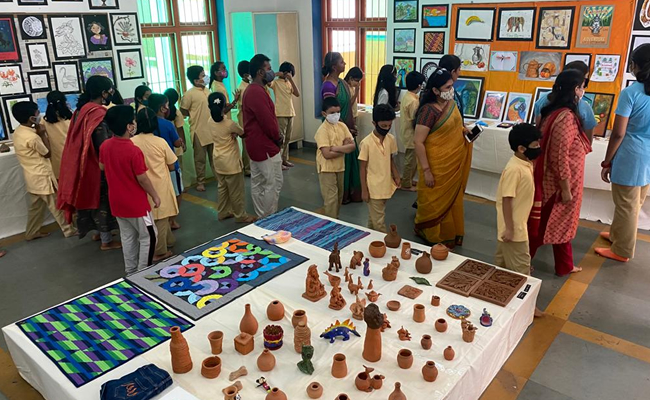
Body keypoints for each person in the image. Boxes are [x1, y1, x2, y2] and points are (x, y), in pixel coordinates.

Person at [528, 70, 591, 276]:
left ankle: (565, 265)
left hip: (564, 181)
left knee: (562, 223)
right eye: (582, 87)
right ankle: (519, 263)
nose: (583, 91)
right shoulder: (565, 118)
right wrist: (565, 188)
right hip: (557, 184)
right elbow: (559, 156)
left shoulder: (558, 112)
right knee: (541, 227)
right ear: (575, 89)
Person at [597, 43, 650, 262]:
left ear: (635, 65)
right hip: (648, 155)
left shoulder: (630, 93)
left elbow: (618, 133)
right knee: (634, 202)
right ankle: (617, 236)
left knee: (627, 205)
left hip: (631, 154)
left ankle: (622, 250)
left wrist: (606, 161)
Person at [57, 76, 120, 250]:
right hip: (95, 164)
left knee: (91, 199)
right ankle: (106, 241)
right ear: (103, 93)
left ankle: (98, 232)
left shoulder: (81, 111)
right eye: (110, 91)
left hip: (81, 163)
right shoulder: (98, 113)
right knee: (102, 200)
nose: (111, 94)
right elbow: (103, 144)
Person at [413, 69, 472, 246]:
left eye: (452, 86)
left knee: (452, 199)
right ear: (435, 90)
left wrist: (465, 131)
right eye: (447, 87)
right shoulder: (428, 111)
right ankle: (430, 233)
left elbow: (456, 126)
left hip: (453, 163)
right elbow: (418, 142)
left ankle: (450, 233)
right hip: (435, 166)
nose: (451, 90)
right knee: (433, 201)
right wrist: (427, 171)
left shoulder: (451, 104)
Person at [100, 105, 160, 274]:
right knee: (149, 236)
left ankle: (131, 271)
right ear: (129, 126)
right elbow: (142, 178)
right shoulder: (133, 150)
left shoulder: (105, 146)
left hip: (116, 202)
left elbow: (102, 166)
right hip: (136, 204)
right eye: (133, 120)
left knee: (127, 237)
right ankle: (143, 272)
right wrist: (155, 195)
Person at [12, 101, 76, 240]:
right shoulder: (33, 137)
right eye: (37, 112)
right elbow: (47, 153)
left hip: (31, 178)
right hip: (43, 177)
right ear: (31, 118)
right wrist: (42, 134)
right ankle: (68, 230)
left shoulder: (18, 132)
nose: (39, 115)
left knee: (35, 208)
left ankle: (31, 232)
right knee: (57, 206)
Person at [132, 107, 178, 261]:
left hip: (141, 186)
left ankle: (169, 240)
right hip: (160, 185)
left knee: (150, 220)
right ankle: (160, 251)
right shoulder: (160, 142)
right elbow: (172, 165)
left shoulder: (132, 142)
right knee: (162, 219)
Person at [495, 124, 542, 274]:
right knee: (522, 271)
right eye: (535, 145)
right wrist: (510, 229)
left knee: (502, 266)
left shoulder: (524, 164)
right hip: (515, 231)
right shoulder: (515, 169)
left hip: (515, 226)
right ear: (521, 148)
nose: (538, 148)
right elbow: (507, 199)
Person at [242, 54, 283, 218]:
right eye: (268, 69)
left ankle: (261, 217)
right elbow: (267, 121)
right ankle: (268, 218)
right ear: (260, 72)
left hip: (255, 144)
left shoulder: (254, 90)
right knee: (273, 182)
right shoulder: (256, 92)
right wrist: (277, 138)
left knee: (258, 182)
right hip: (265, 145)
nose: (272, 72)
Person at [208, 92, 256, 223]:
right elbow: (243, 134)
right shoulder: (230, 124)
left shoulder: (210, 121)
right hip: (231, 163)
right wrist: (236, 134)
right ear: (224, 107)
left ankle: (223, 212)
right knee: (236, 191)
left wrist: (234, 102)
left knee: (222, 188)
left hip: (218, 160)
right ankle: (240, 215)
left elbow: (220, 112)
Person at [322, 52, 362, 204]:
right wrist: (345, 129)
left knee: (350, 160)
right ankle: (341, 194)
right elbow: (331, 111)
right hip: (334, 129)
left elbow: (348, 105)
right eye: (341, 62)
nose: (344, 64)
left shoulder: (342, 83)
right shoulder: (329, 86)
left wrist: (350, 126)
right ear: (334, 67)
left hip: (345, 128)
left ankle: (350, 193)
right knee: (340, 161)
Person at [359, 104, 400, 233]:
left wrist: (396, 175)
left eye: (389, 125)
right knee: (379, 222)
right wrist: (364, 190)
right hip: (373, 187)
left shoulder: (391, 139)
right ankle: (383, 241)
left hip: (385, 184)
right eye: (383, 126)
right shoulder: (366, 143)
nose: (387, 129)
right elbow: (362, 168)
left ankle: (369, 238)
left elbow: (390, 159)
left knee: (374, 218)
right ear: (374, 123)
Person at [533, 61, 597, 142]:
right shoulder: (583, 107)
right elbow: (588, 141)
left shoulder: (543, 99)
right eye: (585, 80)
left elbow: (539, 130)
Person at [315, 97, 357, 218]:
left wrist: (335, 148)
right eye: (332, 112)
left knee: (339, 197)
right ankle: (330, 222)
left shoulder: (342, 126)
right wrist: (344, 149)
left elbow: (352, 146)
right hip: (326, 168)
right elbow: (327, 155)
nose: (336, 115)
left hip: (340, 167)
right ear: (324, 114)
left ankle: (334, 218)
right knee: (331, 198)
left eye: (338, 112)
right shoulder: (322, 131)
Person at [149, 93, 184, 230]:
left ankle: (161, 219)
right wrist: (180, 141)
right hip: (170, 164)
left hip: (154, 165)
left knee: (159, 193)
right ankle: (172, 220)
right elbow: (176, 142)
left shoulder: (147, 124)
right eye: (167, 105)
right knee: (177, 192)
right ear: (162, 108)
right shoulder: (167, 124)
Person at [180, 65, 216, 192]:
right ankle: (201, 182)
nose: (206, 77)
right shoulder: (189, 94)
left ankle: (219, 178)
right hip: (198, 130)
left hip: (212, 129)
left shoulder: (208, 91)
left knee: (215, 157)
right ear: (196, 80)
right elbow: (183, 110)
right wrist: (194, 115)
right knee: (200, 159)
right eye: (203, 75)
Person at [270, 61, 300, 169]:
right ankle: (278, 162)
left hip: (290, 113)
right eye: (288, 73)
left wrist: (291, 80)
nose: (290, 75)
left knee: (287, 139)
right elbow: (267, 81)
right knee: (280, 140)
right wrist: (276, 74)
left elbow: (297, 94)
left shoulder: (289, 82)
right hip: (280, 114)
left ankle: (284, 160)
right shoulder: (276, 83)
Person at [399, 71, 425, 191]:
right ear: (419, 85)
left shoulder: (407, 96)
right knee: (410, 160)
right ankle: (406, 183)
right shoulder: (413, 101)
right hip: (411, 133)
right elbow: (415, 119)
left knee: (412, 159)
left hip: (407, 132)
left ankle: (408, 179)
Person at [42, 90, 72, 179]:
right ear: (64, 102)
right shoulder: (71, 118)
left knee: (61, 181)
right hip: (72, 155)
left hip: (56, 159)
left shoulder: (44, 121)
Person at [236, 60, 252, 176]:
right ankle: (247, 168)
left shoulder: (249, 85)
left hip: (249, 118)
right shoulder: (242, 88)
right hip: (245, 119)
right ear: (246, 75)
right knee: (247, 145)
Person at [438, 55, 464, 120]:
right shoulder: (444, 94)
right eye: (459, 70)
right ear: (453, 72)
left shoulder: (452, 91)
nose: (459, 73)